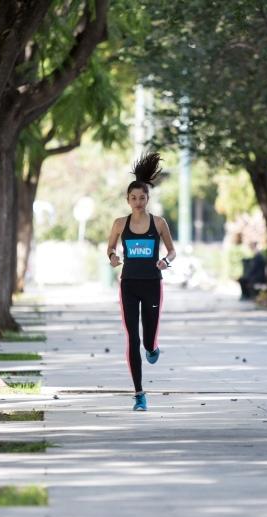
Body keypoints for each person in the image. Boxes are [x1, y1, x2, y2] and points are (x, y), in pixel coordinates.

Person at [106, 152, 176, 411]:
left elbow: (172, 251)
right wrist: (113, 257)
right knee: (131, 338)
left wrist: (165, 262)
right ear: (127, 200)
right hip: (129, 285)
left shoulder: (158, 223)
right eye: (133, 198)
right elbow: (110, 249)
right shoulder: (119, 224)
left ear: (148, 198)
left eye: (142, 197)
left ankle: (153, 347)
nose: (138, 201)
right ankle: (139, 395)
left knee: (147, 340)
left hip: (152, 285)